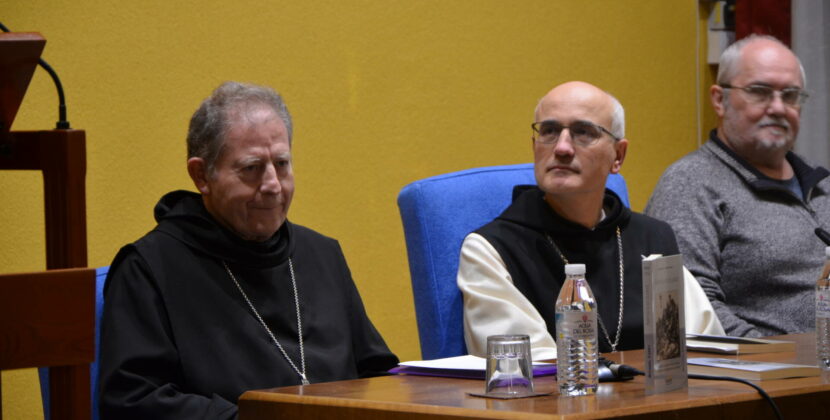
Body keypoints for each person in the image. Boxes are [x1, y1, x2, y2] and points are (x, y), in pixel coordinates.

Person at [98, 81, 398, 419]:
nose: (272, 185)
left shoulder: (322, 254)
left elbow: (377, 373)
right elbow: (134, 401)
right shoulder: (149, 269)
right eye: (252, 168)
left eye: (282, 164)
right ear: (201, 175)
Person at [458, 81, 723, 361]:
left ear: (618, 156)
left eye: (583, 132)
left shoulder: (653, 240)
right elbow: (524, 369)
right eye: (548, 131)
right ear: (534, 146)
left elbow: (706, 350)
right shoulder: (490, 250)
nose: (562, 147)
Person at [646, 35, 830, 338]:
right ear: (720, 100)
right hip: (771, 375)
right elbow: (691, 307)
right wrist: (781, 362)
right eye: (760, 92)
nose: (778, 108)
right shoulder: (691, 183)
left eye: (790, 95)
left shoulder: (821, 183)